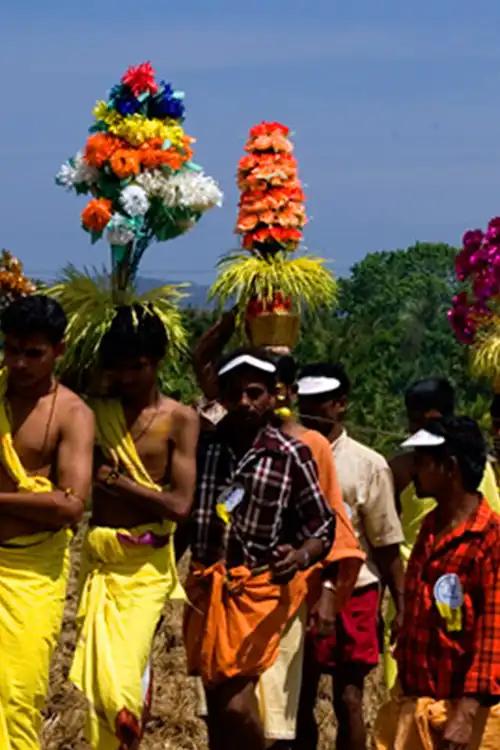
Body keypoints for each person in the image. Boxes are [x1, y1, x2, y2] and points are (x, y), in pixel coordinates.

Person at [183, 349, 335, 750]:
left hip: (262, 595)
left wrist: (301, 556)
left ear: (274, 396)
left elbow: (322, 524)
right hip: (209, 589)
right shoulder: (205, 449)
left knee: (240, 708)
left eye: (255, 393)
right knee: (217, 711)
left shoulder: (291, 454)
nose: (246, 403)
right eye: (236, 395)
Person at [69, 305, 199, 750]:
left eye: (138, 366)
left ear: (158, 362)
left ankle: (126, 723)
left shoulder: (179, 419)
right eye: (119, 368)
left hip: (146, 566)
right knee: (98, 674)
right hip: (100, 560)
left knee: (122, 668)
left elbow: (181, 504)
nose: (128, 377)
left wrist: (117, 483)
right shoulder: (92, 409)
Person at [256, 355, 365, 749]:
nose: (249, 402)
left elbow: (330, 528)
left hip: (292, 595)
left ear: (283, 393)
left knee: (289, 710)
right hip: (232, 596)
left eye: (260, 390)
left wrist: (328, 591)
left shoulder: (312, 446)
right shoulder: (223, 439)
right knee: (233, 713)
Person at [0, 294, 94, 750]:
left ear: (59, 349)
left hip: (31, 572)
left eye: (32, 352)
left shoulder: (74, 414)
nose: (18, 363)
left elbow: (72, 505)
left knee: (18, 694)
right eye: (10, 349)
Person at [296, 362, 405, 750]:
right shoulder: (288, 453)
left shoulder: (369, 465)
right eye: (304, 400)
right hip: (300, 590)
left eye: (320, 402)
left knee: (349, 698)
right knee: (298, 697)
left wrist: (401, 606)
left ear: (340, 404)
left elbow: (386, 542)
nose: (309, 408)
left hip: (355, 591)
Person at [375, 416, 500, 750]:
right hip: (420, 703)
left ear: (450, 468)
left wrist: (465, 715)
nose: (413, 470)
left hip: (465, 716)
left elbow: (493, 635)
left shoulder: (490, 540)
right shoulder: (430, 529)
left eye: (422, 461)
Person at [386, 377, 500, 689]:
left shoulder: (477, 473)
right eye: (412, 422)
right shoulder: (400, 474)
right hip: (412, 595)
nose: (417, 432)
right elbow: (383, 534)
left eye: (427, 424)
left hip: (463, 604)